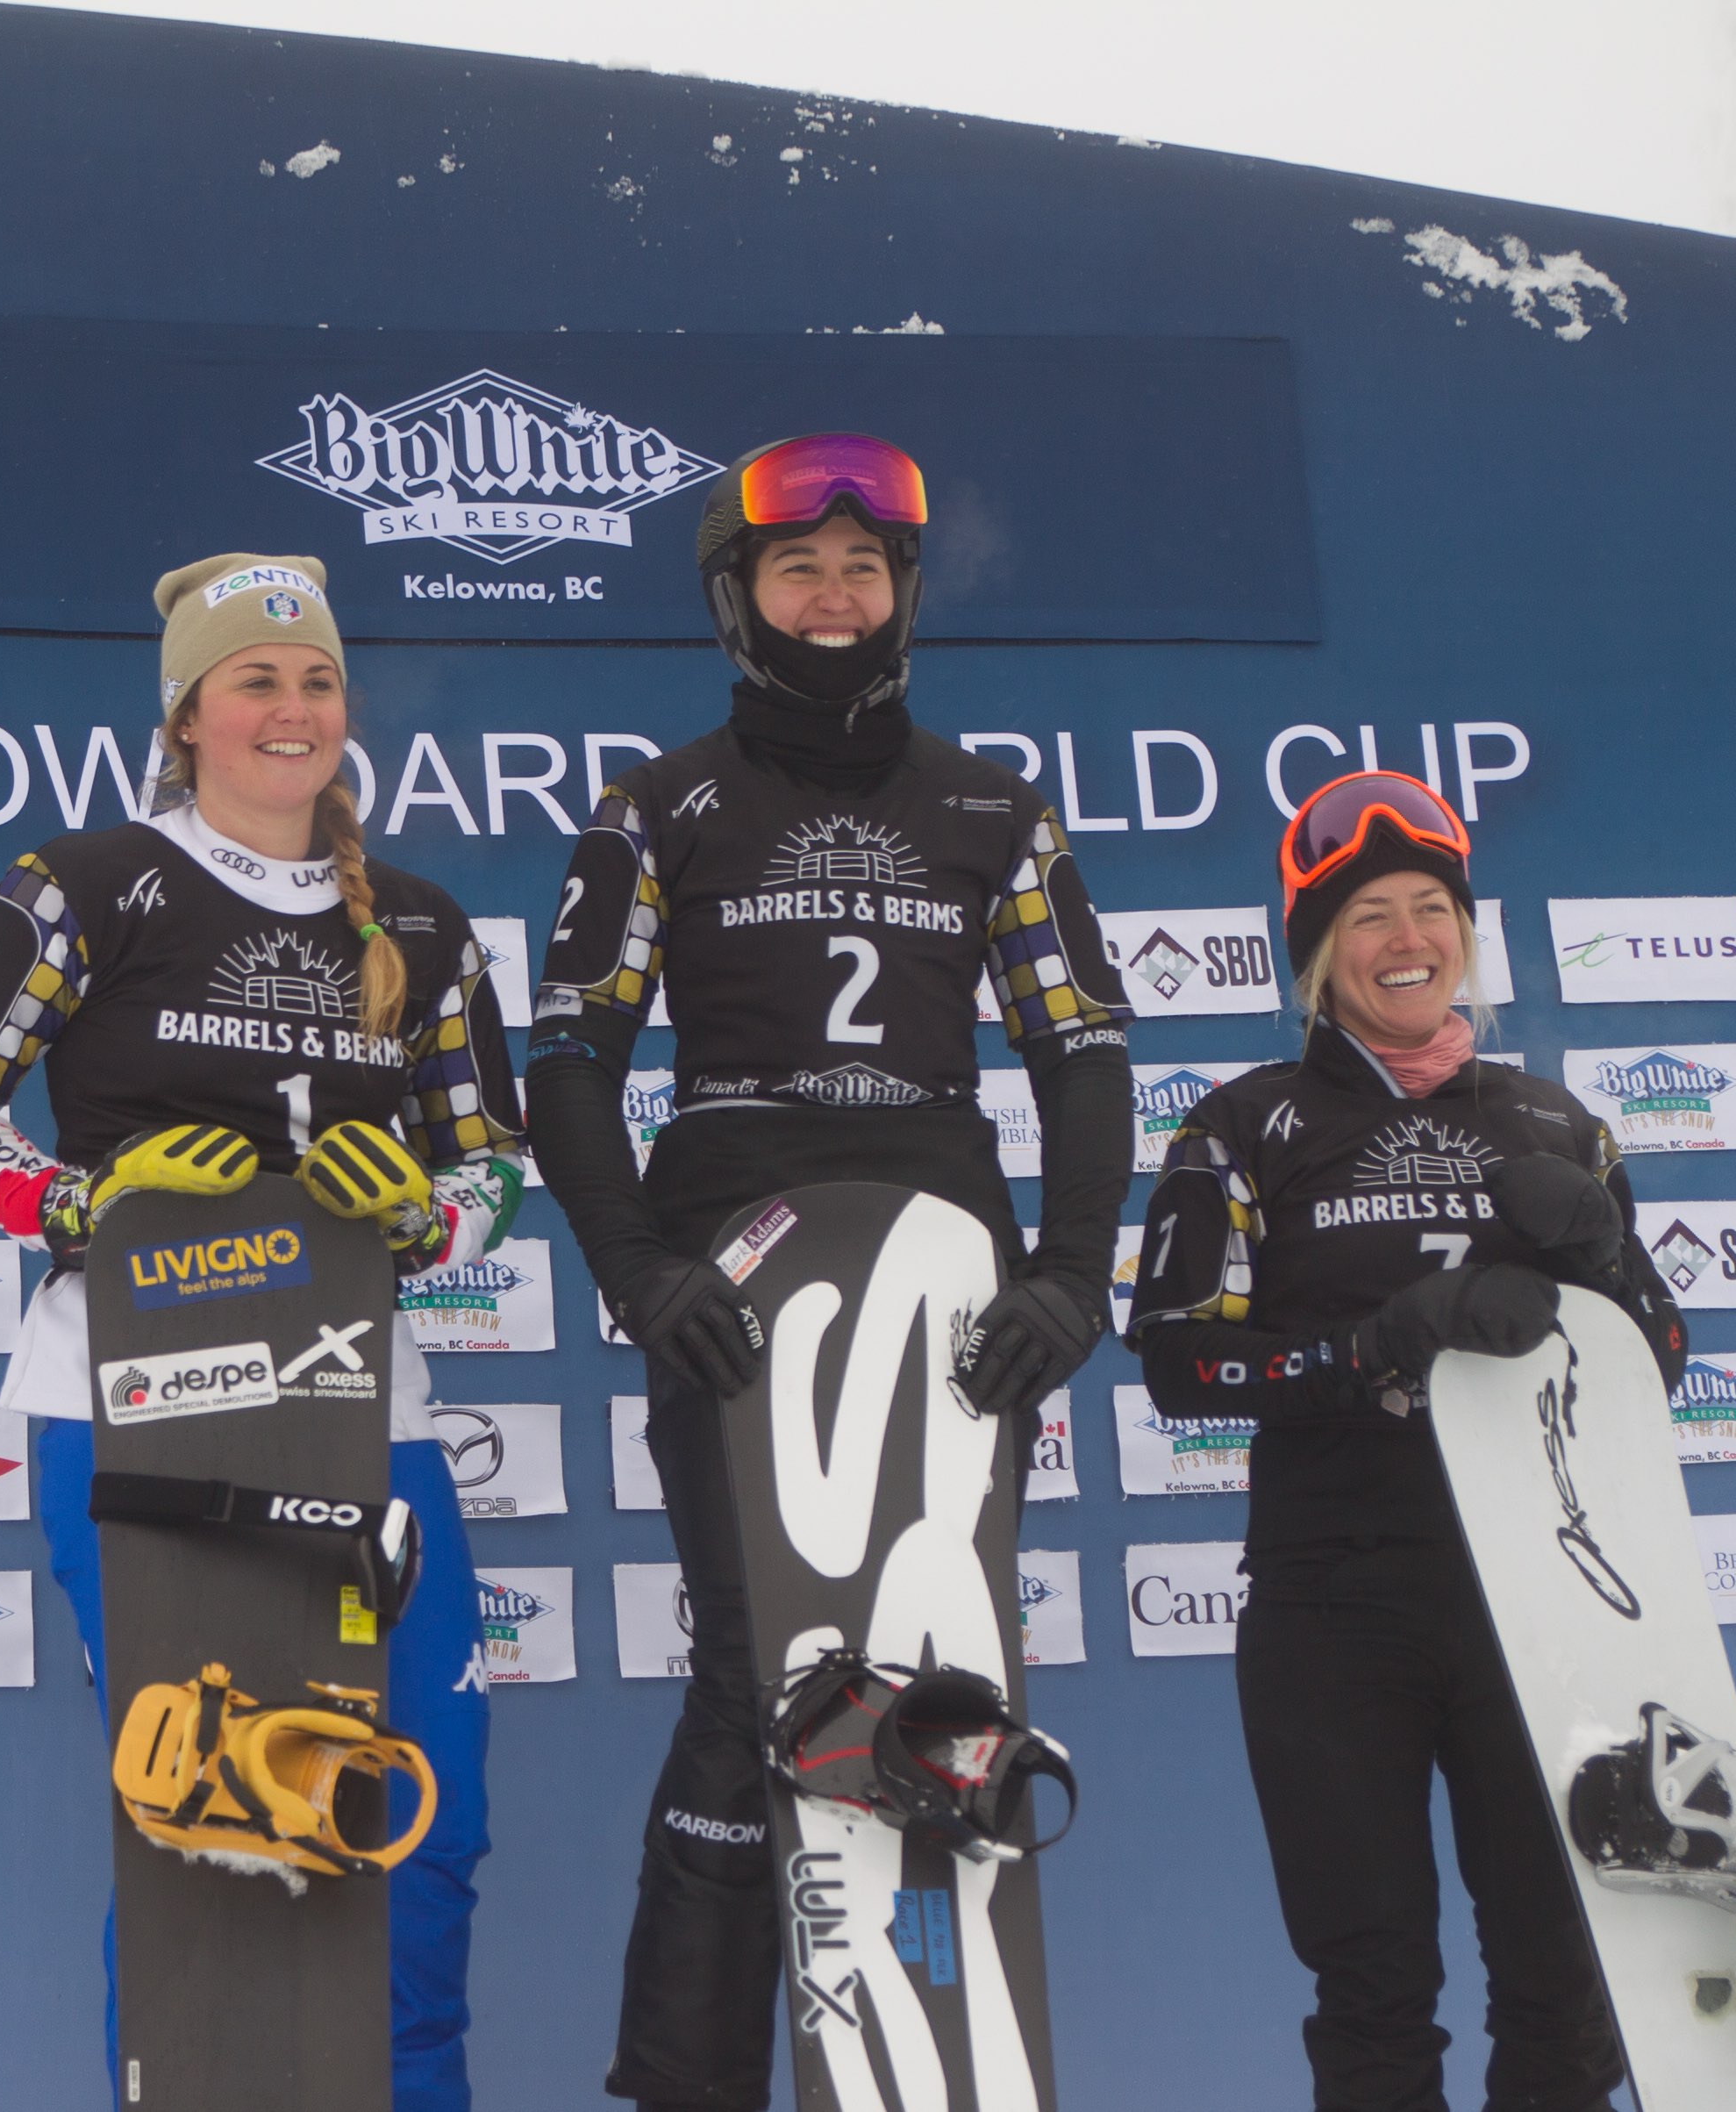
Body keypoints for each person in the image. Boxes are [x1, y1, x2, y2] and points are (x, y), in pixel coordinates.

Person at [523, 433, 1138, 2112]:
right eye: (800, 569)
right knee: (755, 1667)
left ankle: (935, 2050)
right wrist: (637, 1269)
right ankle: (685, 2085)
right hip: (734, 1277)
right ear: (740, 596)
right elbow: (568, 1059)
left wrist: (1071, 1275)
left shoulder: (993, 812)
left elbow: (1082, 1052)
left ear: (904, 597)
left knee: (950, 1653)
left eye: (864, 571)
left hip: (950, 1281)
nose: (834, 595)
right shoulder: (657, 807)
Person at [0, 553, 524, 2112]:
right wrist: (72, 1201)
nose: (291, 710)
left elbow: (494, 1163)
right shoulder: (86, 885)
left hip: (364, 1409)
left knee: (413, 1819)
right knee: (202, 1812)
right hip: (129, 1400)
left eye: (315, 682)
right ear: (186, 716)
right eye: (255, 681)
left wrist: (427, 1223)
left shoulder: (423, 924)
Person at [1124, 770, 1690, 2112]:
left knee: (1559, 1977)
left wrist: (1606, 1260)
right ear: (1319, 951)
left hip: (1537, 1601)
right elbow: (1177, 1363)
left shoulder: (1552, 1121)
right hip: (1333, 1601)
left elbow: (1658, 1363)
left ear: (1465, 933)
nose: (1405, 940)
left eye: (1429, 907)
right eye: (1367, 914)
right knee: (1373, 1989)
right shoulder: (1243, 1125)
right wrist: (1377, 1348)